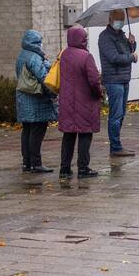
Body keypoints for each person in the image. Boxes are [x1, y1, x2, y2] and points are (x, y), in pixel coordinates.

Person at [59, 26, 104, 179]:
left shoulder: (64, 54)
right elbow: (93, 81)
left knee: (68, 136)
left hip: (67, 102)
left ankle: (64, 169)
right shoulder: (86, 56)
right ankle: (83, 168)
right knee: (85, 134)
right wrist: (99, 93)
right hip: (85, 102)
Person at [15, 30, 57, 173]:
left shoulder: (22, 55)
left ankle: (27, 163)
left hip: (23, 98)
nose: (41, 44)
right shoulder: (34, 57)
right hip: (36, 99)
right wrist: (53, 93)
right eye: (39, 41)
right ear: (35, 42)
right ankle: (36, 163)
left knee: (27, 131)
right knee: (37, 132)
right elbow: (44, 78)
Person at [98, 10, 137, 158]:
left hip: (124, 79)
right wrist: (132, 57)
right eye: (118, 19)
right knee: (116, 114)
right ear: (110, 19)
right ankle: (115, 146)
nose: (120, 21)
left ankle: (117, 144)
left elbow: (126, 52)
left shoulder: (121, 35)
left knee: (121, 114)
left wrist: (132, 44)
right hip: (113, 80)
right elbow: (114, 57)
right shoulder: (105, 37)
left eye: (122, 19)